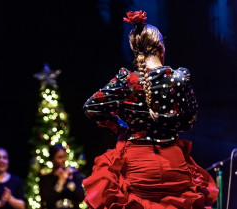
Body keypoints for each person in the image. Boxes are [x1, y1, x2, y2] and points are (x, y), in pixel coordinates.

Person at [82, 10, 218, 209]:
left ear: (135, 50)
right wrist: (170, 124)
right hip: (174, 164)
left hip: (138, 166)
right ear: (161, 47)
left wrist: (120, 127)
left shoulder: (126, 81)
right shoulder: (179, 79)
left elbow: (91, 107)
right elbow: (191, 120)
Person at [39, 144, 85, 209]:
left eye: (64, 156)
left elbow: (81, 197)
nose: (63, 160)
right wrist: (60, 182)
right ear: (52, 159)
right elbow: (48, 201)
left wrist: (69, 181)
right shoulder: (45, 179)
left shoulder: (73, 175)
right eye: (60, 157)